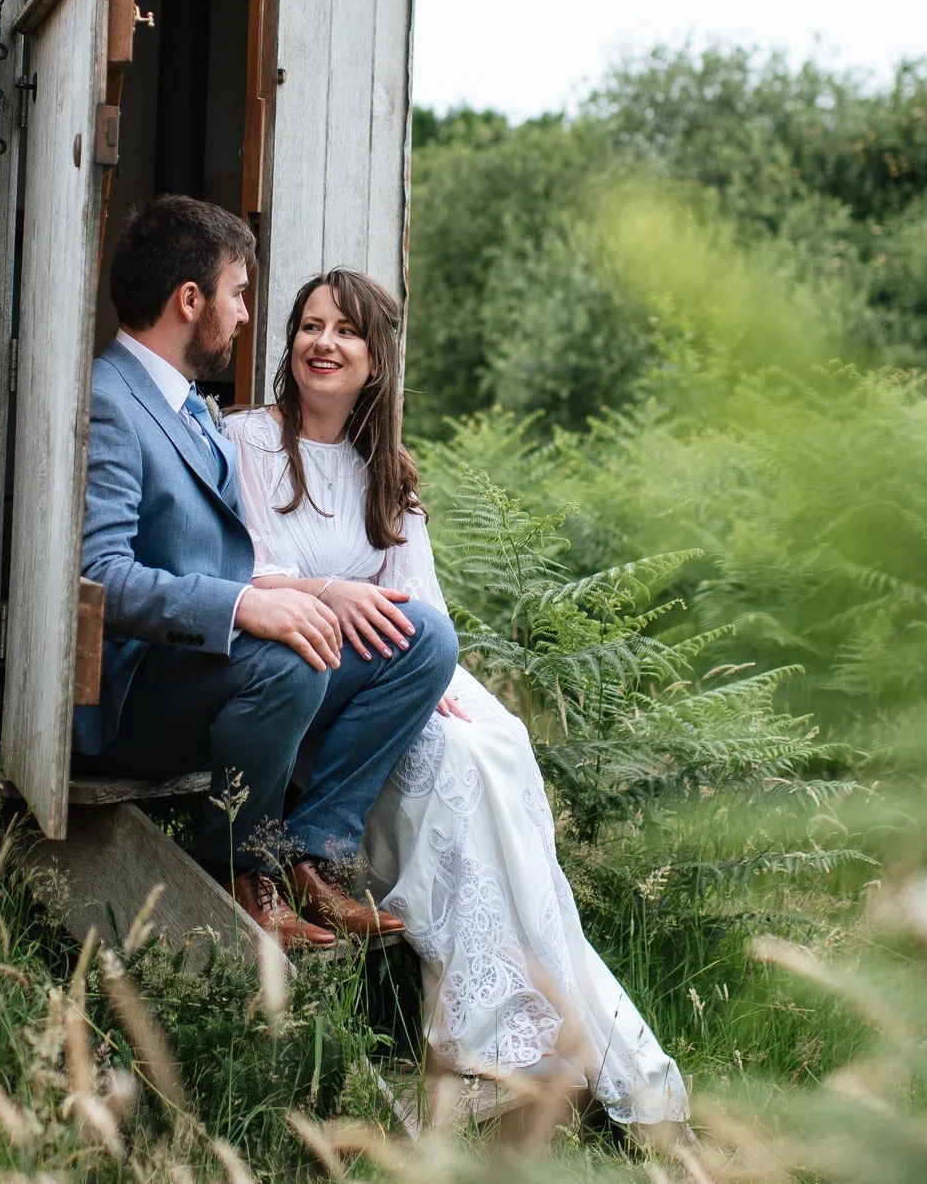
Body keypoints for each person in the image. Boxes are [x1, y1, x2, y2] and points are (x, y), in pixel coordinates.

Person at [225, 268, 689, 1126]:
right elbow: (237, 571)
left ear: (375, 363)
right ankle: (321, 857)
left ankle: (530, 1025)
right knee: (450, 759)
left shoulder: (387, 467)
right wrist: (334, 594)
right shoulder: (246, 440)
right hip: (296, 662)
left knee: (487, 745)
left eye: (346, 333)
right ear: (290, 345)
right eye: (310, 326)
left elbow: (422, 601)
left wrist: (425, 680)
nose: (323, 343)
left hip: (379, 674)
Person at [76, 196, 458, 949]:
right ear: (191, 300)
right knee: (290, 656)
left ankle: (317, 852)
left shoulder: (189, 407)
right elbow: (101, 575)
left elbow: (237, 556)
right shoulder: (112, 399)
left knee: (425, 641)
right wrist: (244, 608)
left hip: (217, 671)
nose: (247, 316)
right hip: (144, 697)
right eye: (238, 294)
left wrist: (306, 594)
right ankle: (242, 867)